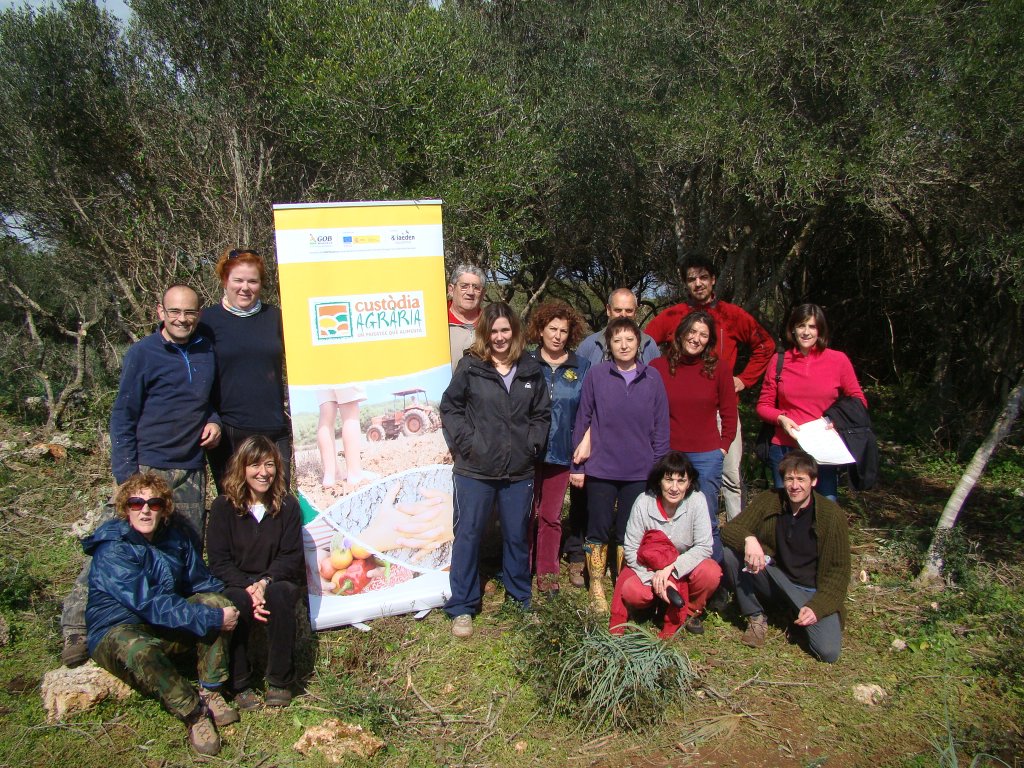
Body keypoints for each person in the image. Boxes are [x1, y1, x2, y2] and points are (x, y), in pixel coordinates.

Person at [62, 284, 221, 667]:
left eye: (189, 312)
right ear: (160, 311)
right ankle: (76, 627)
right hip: (148, 467)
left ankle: (172, 629)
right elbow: (123, 414)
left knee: (185, 550)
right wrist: (126, 476)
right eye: (175, 311)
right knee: (113, 546)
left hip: (191, 469)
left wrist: (214, 422)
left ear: (198, 313)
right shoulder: (142, 354)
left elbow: (212, 403)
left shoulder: (206, 351)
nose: (182, 318)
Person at [84, 472, 240, 756]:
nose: (145, 510)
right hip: (116, 630)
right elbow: (150, 603)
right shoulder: (113, 549)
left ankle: (211, 689)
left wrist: (240, 594)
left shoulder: (174, 540)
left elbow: (201, 583)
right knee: (138, 647)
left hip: (161, 625)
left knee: (216, 603)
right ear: (125, 508)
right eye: (136, 503)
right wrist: (211, 620)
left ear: (164, 508)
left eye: (154, 504)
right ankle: (194, 712)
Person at [440, 302, 551, 638]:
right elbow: (451, 407)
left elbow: (542, 414)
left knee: (516, 536)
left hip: (518, 471)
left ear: (514, 331)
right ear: (484, 333)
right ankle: (462, 606)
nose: (500, 337)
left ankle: (519, 599)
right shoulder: (471, 367)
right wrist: (468, 443)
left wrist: (533, 443)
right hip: (475, 470)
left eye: (505, 330)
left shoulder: (530, 368)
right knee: (469, 536)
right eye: (494, 331)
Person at [645, 256, 775, 520]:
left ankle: (736, 533)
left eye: (703, 277)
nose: (698, 283)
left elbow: (765, 346)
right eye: (692, 279)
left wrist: (744, 379)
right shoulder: (673, 315)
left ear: (713, 279)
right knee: (675, 476)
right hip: (680, 416)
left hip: (721, 411)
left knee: (730, 476)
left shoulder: (732, 314)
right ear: (685, 283)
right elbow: (645, 345)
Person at [571, 317, 670, 611]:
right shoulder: (597, 375)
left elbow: (661, 428)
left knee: (630, 530)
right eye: (617, 340)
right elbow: (583, 419)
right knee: (598, 527)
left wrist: (658, 470)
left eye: (629, 339)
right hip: (601, 467)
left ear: (639, 343)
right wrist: (577, 466)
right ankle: (597, 585)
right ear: (609, 345)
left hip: (639, 472)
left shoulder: (653, 379)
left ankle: (624, 580)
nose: (624, 345)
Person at [721, 451, 850, 663]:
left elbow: (839, 572)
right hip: (776, 578)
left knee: (827, 652)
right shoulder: (770, 500)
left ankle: (794, 614)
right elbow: (730, 530)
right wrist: (748, 539)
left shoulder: (831, 515)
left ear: (814, 481)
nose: (794, 485)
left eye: (801, 479)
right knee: (731, 553)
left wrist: (818, 607)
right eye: (789, 479)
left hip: (811, 591)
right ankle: (755, 616)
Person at [206, 436, 304, 709]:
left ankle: (279, 680)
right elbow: (219, 560)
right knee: (236, 603)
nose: (264, 472)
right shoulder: (223, 507)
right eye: (255, 465)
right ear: (242, 468)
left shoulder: (287, 505)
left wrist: (264, 582)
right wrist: (249, 587)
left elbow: (291, 554)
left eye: (270, 465)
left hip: (276, 578)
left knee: (280, 597)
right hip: (237, 580)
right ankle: (240, 684)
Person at [651, 311, 737, 566]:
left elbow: (730, 415)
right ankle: (667, 570)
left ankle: (715, 576)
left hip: (706, 456)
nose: (696, 338)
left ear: (709, 341)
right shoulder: (658, 367)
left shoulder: (719, 369)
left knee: (706, 518)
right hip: (669, 454)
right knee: (666, 515)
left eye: (703, 335)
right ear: (681, 333)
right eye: (692, 332)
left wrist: (722, 448)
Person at [756, 303, 867, 501]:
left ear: (820, 330)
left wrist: (838, 422)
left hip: (824, 449)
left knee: (825, 508)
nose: (806, 332)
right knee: (786, 512)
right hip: (785, 448)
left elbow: (858, 401)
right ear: (793, 329)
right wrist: (780, 418)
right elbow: (763, 406)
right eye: (801, 326)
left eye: (812, 327)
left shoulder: (838, 360)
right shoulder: (779, 361)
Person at [202, 248, 291, 493]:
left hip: (274, 428)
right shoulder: (206, 322)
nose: (245, 287)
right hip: (230, 433)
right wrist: (210, 418)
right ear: (224, 280)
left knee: (279, 503)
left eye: (253, 281)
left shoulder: (276, 318)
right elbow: (194, 380)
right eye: (238, 280)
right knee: (236, 508)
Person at [610, 452, 721, 639]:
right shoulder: (644, 502)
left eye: (681, 481)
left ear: (690, 481)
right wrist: (656, 578)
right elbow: (630, 548)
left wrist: (672, 569)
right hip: (648, 568)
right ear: (659, 480)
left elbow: (704, 546)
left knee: (710, 572)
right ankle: (649, 606)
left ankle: (690, 611)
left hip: (683, 568)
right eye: (669, 480)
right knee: (633, 591)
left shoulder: (697, 501)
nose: (674, 488)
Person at [525, 300, 591, 593]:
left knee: (551, 516)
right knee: (524, 514)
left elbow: (589, 412)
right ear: (540, 330)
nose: (557, 335)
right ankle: (519, 571)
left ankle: (548, 575)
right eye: (552, 329)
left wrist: (583, 447)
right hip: (527, 453)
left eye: (564, 331)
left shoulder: (582, 367)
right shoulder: (525, 363)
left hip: (562, 454)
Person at [576, 288, 660, 366]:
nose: (623, 315)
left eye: (629, 310)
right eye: (618, 310)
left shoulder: (649, 345)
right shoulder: (590, 345)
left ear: (635, 312)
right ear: (608, 310)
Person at [447, 264, 486, 372]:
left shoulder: (491, 324)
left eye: (476, 288)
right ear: (451, 289)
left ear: (483, 293)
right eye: (464, 286)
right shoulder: (436, 322)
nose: (470, 292)